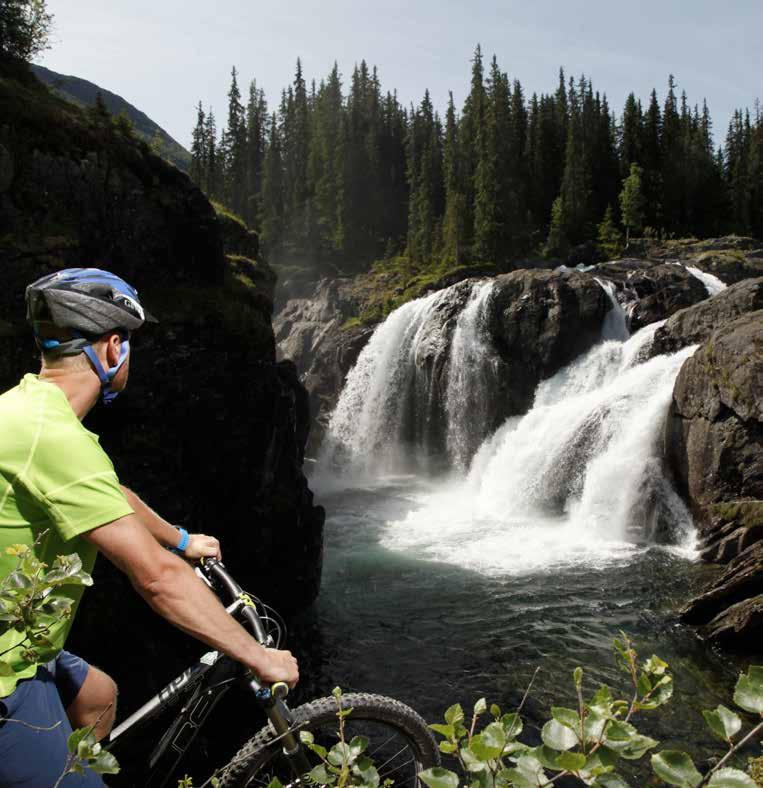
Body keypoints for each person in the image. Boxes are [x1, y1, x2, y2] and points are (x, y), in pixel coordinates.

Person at [0, 268, 299, 786]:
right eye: (131, 343)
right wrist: (257, 656)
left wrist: (181, 539)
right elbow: (157, 577)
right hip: (8, 676)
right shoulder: (56, 438)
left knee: (98, 698)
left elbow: (111, 493)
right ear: (113, 348)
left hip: (27, 642)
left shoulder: (28, 407)